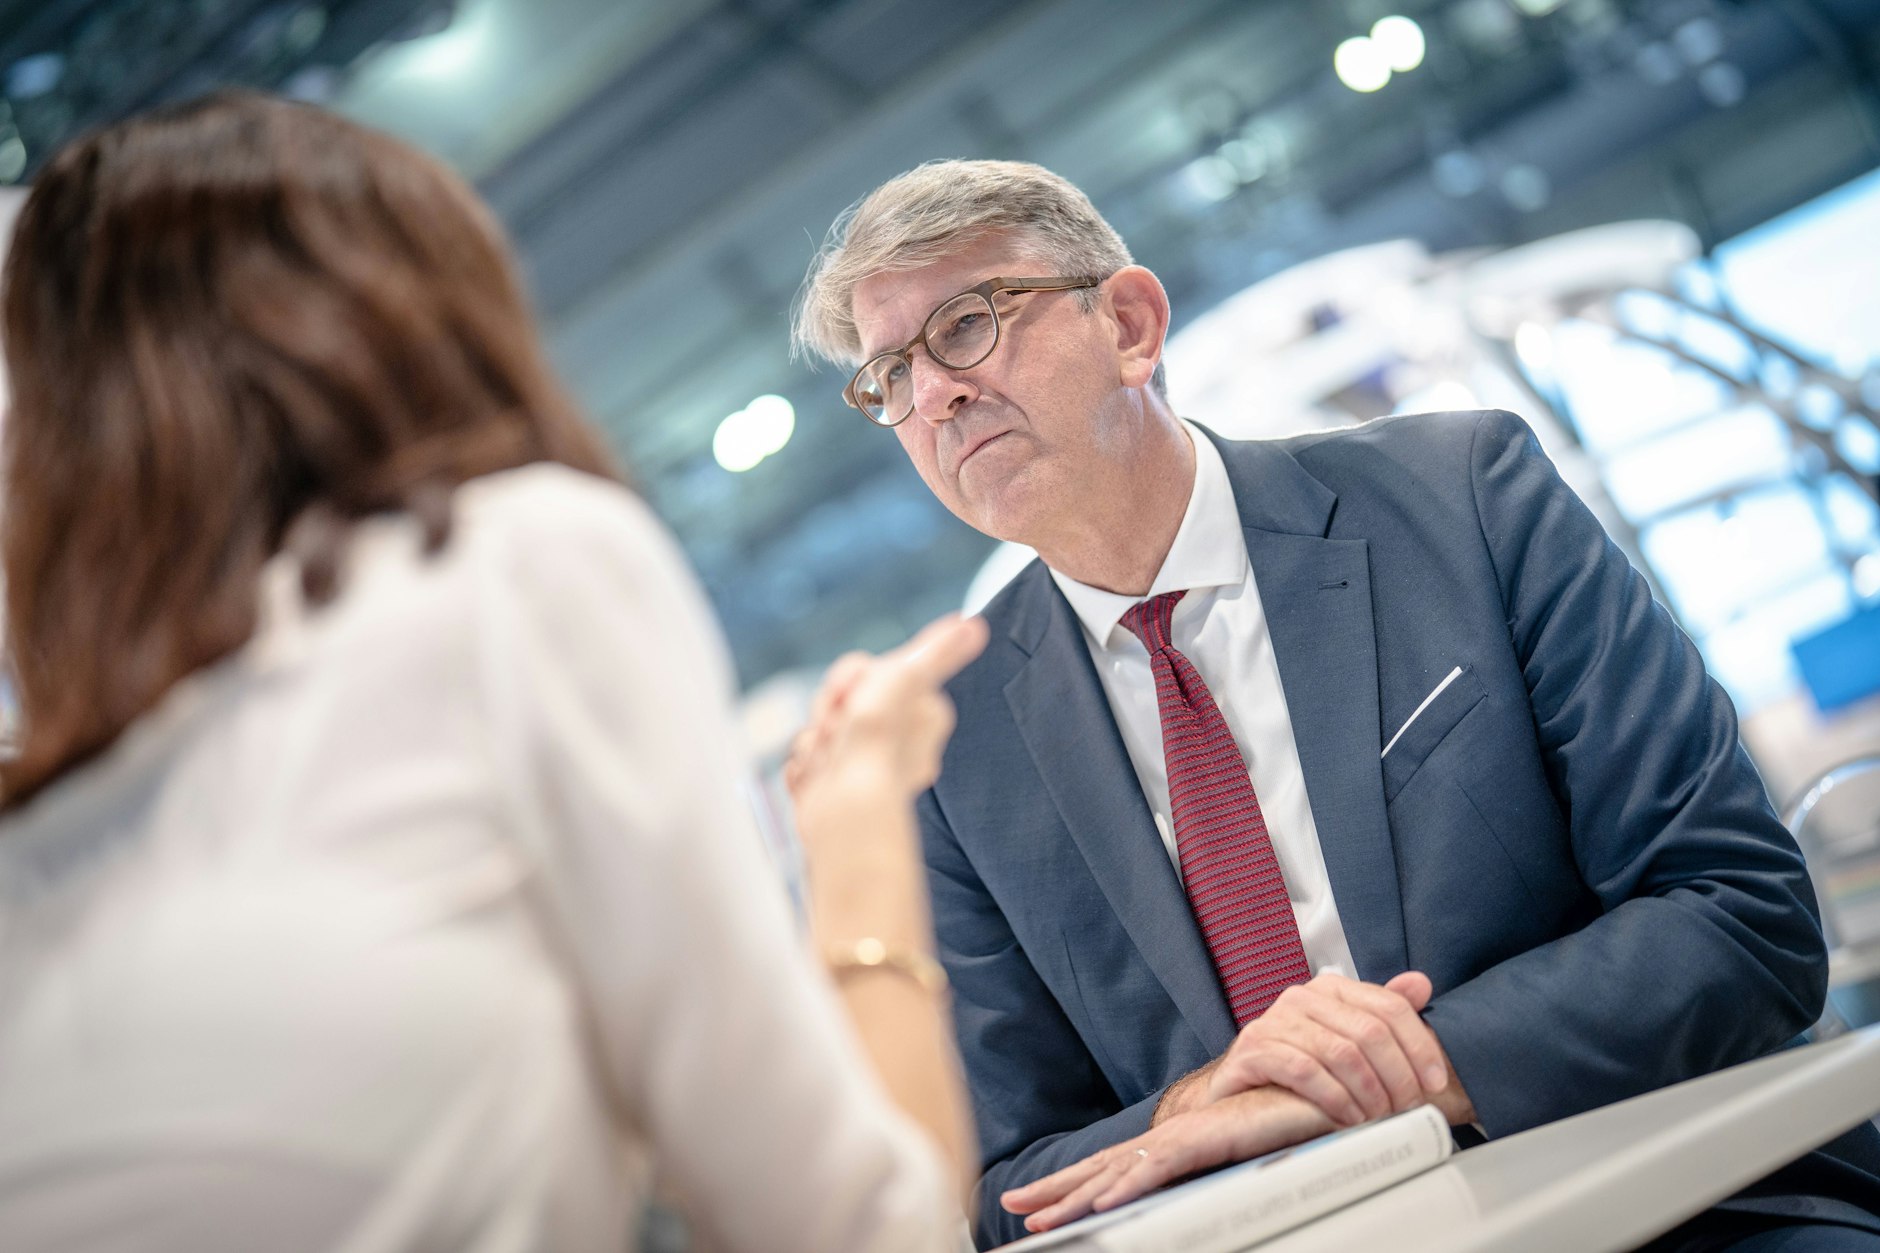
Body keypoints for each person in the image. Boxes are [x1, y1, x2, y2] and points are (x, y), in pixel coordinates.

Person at [791, 158, 1880, 1249]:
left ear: (1128, 324)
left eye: (965, 326)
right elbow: (1005, 1183)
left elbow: (1740, 912)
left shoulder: (1463, 498)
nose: (933, 395)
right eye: (890, 374)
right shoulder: (949, 746)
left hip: (1682, 1197)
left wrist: (1386, 1074)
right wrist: (1200, 1104)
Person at [0, 91, 988, 1253]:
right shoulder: (512, 565)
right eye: (891, 372)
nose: (932, 395)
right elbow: (852, 1231)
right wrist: (859, 813)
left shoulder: (45, 822)